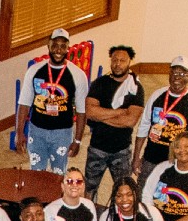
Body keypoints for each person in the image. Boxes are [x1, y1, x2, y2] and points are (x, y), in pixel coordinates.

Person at [17, 29, 88, 172]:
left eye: (63, 46)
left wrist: (78, 140)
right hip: (37, 131)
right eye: (55, 45)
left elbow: (81, 111)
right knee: (36, 174)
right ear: (48, 46)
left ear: (68, 48)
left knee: (59, 174)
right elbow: (24, 104)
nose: (58, 50)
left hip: (62, 133)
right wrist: (19, 134)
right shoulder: (34, 71)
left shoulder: (78, 75)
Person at [83, 44, 144, 194]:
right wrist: (120, 112)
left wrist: (101, 116)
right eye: (115, 60)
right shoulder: (99, 83)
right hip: (97, 148)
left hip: (122, 150)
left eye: (122, 60)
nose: (118, 64)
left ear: (129, 62)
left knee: (124, 191)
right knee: (89, 189)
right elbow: (90, 112)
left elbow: (130, 121)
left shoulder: (136, 88)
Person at [136, 56, 188, 180]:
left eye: (182, 73)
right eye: (174, 72)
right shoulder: (156, 95)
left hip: (179, 161)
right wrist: (136, 158)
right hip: (152, 157)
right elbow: (143, 126)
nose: (177, 77)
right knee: (144, 194)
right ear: (169, 74)